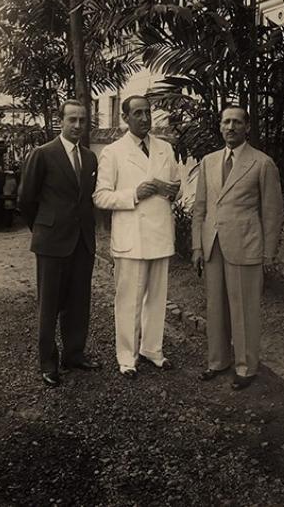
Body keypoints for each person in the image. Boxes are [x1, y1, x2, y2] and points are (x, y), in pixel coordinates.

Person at [191, 105, 283, 390]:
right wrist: (196, 246)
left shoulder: (262, 163)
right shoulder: (208, 161)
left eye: (237, 122)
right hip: (213, 243)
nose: (230, 127)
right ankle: (217, 361)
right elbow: (200, 207)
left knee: (243, 309)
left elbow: (272, 212)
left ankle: (246, 367)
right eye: (226, 122)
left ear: (247, 127)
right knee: (215, 306)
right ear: (219, 126)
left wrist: (268, 253)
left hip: (245, 243)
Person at [93, 95, 181, 379]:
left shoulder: (165, 148)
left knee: (157, 297)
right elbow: (100, 196)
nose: (145, 118)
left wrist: (169, 189)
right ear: (125, 118)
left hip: (159, 233)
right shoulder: (113, 152)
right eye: (138, 113)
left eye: (148, 112)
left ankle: (152, 349)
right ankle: (127, 357)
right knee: (129, 299)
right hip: (131, 236)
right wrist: (133, 194)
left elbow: (175, 187)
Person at [19, 99, 101, 387]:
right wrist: (44, 228)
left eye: (82, 120)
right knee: (49, 304)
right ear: (60, 121)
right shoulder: (42, 154)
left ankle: (74, 354)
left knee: (79, 301)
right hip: (51, 241)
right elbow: (26, 199)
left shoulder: (90, 158)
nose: (78, 125)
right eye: (72, 120)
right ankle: (48, 363)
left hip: (82, 241)